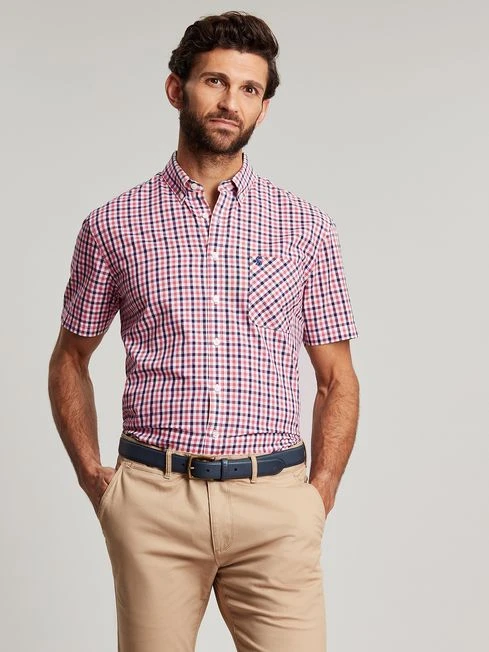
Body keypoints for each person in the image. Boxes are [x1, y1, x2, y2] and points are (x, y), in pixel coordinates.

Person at [48, 10, 360, 652]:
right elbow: (70, 359)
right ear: (176, 89)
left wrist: (319, 494)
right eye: (215, 81)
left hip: (274, 506)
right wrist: (95, 479)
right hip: (154, 503)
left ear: (263, 108)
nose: (230, 102)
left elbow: (337, 378)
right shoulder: (113, 224)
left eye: (249, 89)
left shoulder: (306, 226)